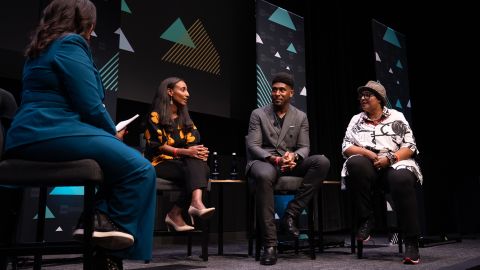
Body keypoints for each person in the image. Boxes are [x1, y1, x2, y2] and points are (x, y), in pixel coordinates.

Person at [4, 0, 156, 268]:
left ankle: (97, 224)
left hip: (30, 133)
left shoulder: (40, 48)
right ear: (87, 23)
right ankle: (100, 234)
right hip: (51, 129)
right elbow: (90, 104)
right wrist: (112, 133)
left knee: (119, 166)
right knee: (141, 169)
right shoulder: (70, 43)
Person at [246, 72, 330, 265]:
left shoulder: (300, 116)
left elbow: (305, 147)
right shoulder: (258, 114)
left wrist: (295, 156)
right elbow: (253, 146)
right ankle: (270, 244)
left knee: (322, 162)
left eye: (282, 90)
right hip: (265, 161)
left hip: (289, 162)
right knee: (265, 175)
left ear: (291, 93)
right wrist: (275, 160)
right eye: (274, 89)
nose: (277, 93)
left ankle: (291, 213)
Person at [341, 80, 423, 264]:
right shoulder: (356, 119)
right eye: (361, 95)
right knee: (355, 164)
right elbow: (346, 147)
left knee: (401, 178)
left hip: (395, 163)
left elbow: (410, 146)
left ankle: (411, 241)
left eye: (367, 95)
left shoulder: (396, 116)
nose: (363, 98)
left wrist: (390, 158)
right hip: (369, 165)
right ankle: (367, 220)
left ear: (379, 99)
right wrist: (369, 154)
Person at [144, 77, 215, 232]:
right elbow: (158, 146)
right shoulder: (155, 116)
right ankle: (179, 211)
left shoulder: (185, 118)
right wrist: (186, 152)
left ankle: (191, 205)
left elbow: (193, 142)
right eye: (183, 89)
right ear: (170, 92)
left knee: (200, 165)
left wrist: (198, 152)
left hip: (181, 162)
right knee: (200, 171)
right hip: (158, 162)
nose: (187, 94)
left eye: (187, 90)